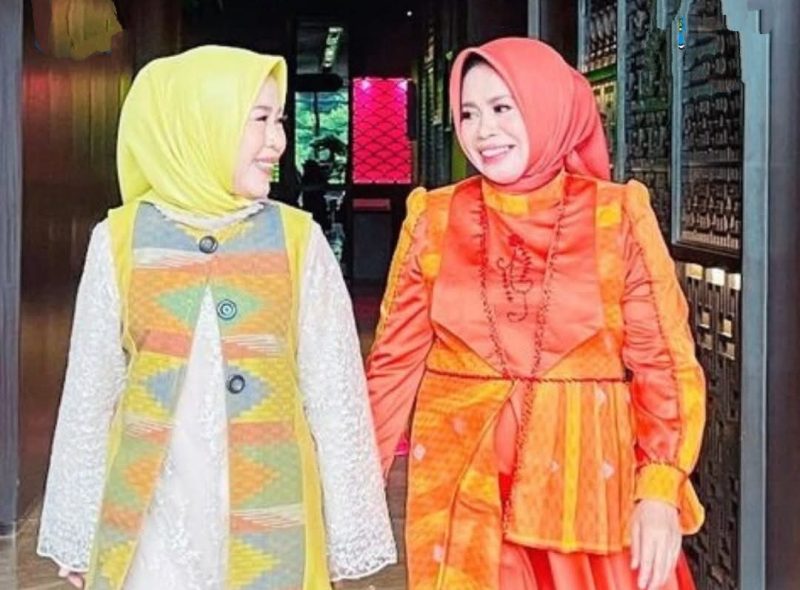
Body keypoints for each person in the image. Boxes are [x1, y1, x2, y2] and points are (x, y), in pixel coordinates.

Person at [37, 45, 396, 590]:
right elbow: (90, 396)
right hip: (151, 526)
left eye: (279, 120)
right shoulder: (119, 241)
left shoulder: (300, 242)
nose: (278, 141)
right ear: (202, 122)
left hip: (273, 518)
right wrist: (77, 532)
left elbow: (336, 399)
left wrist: (348, 539)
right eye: (260, 120)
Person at [368, 37, 704, 590]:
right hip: (465, 490)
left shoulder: (615, 215)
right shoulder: (433, 218)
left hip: (583, 489)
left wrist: (660, 489)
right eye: (468, 114)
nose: (484, 131)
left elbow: (664, 364)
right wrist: (354, 494)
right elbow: (391, 369)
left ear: (547, 105)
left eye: (503, 108)